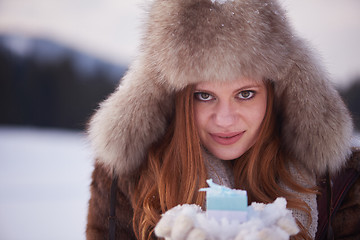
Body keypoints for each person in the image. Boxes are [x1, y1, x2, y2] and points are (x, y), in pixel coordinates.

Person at [85, 0, 360, 239]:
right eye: (204, 96)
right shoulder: (128, 180)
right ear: (177, 98)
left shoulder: (341, 181)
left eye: (246, 94)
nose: (225, 119)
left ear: (276, 94)